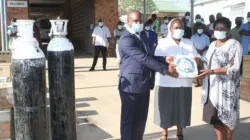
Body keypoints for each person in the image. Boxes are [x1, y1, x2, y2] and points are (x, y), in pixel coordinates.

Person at [118, 10, 178, 140]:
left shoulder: (142, 36)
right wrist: (165, 70)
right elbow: (143, 58)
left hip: (144, 83)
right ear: (128, 21)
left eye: (140, 20)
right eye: (135, 21)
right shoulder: (126, 39)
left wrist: (165, 59)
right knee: (129, 120)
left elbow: (150, 54)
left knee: (140, 120)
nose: (139, 23)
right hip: (131, 86)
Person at [154, 18, 200, 140]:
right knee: (165, 108)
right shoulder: (163, 43)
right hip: (166, 81)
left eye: (181, 28)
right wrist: (166, 61)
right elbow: (156, 61)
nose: (179, 30)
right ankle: (164, 132)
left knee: (182, 108)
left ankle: (180, 131)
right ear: (170, 29)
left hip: (184, 82)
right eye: (176, 27)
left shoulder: (188, 42)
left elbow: (197, 56)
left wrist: (196, 59)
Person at [198, 17, 242, 140]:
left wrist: (212, 71)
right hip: (212, 88)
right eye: (217, 28)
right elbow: (206, 61)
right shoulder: (212, 44)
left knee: (228, 119)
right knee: (215, 118)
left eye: (222, 29)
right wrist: (197, 60)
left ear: (228, 29)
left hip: (227, 89)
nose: (219, 31)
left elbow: (234, 68)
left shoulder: (234, 45)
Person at [191, 22, 210, 87]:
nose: (200, 29)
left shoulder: (206, 37)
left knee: (204, 69)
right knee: (196, 69)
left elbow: (208, 46)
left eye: (201, 28)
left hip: (204, 55)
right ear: (196, 29)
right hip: (196, 55)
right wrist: (198, 51)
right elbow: (191, 46)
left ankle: (204, 83)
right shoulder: (193, 37)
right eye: (199, 28)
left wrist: (202, 50)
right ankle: (198, 83)